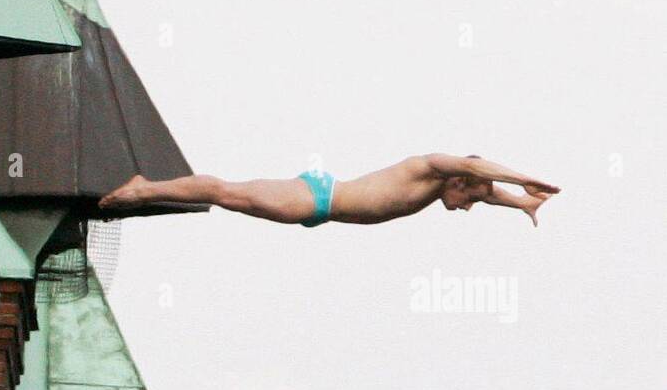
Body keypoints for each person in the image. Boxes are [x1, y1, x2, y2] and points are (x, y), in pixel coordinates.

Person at [98, 154, 560, 227]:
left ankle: (149, 191)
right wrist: (524, 178)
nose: (468, 208)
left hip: (317, 206)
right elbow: (475, 166)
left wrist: (522, 205)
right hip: (316, 198)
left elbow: (482, 185)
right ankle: (145, 189)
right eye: (471, 198)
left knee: (226, 196)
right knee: (223, 193)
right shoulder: (428, 168)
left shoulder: (449, 185)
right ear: (458, 181)